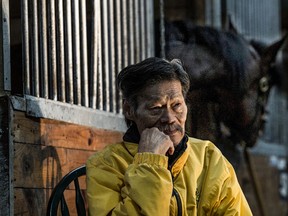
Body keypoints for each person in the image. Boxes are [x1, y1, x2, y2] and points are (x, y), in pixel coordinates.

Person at [86, 57, 252, 215]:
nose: (170, 118)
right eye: (156, 108)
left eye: (177, 105)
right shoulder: (106, 164)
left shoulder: (209, 158)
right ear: (129, 110)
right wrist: (149, 162)